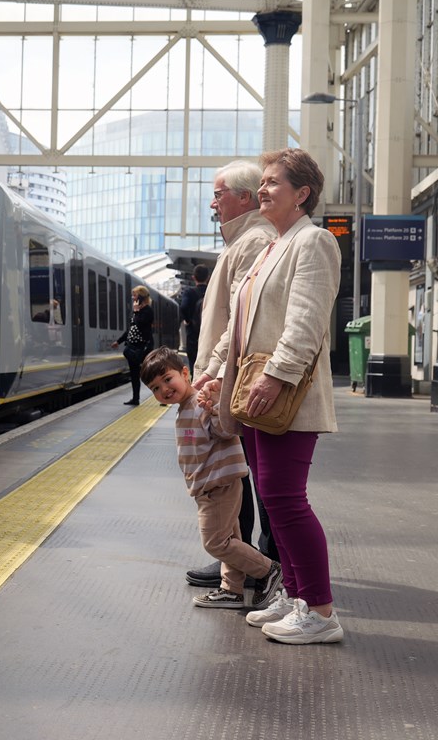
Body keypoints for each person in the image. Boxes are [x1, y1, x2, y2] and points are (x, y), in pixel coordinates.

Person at [208, 147, 344, 645]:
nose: (263, 190)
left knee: (286, 501)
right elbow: (241, 323)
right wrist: (215, 371)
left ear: (302, 193)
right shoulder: (273, 246)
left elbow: (306, 322)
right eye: (261, 183)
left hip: (283, 396)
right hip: (256, 393)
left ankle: (322, 612)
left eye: (272, 183)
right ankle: (296, 594)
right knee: (273, 496)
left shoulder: (314, 242)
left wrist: (276, 376)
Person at [186, 160, 280, 589]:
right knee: (240, 473)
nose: (213, 201)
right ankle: (241, 558)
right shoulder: (242, 240)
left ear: (244, 197)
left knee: (240, 474)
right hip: (230, 376)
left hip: (236, 379)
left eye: (219, 193)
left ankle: (252, 562)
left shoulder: (252, 240)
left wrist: (217, 373)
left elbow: (245, 318)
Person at [141, 347, 282, 610]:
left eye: (167, 379)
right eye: (155, 388)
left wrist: (216, 407)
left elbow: (225, 430)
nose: (164, 390)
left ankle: (269, 570)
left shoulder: (200, 402)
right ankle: (232, 590)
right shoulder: (184, 408)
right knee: (231, 539)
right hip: (209, 485)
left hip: (219, 484)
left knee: (215, 542)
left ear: (185, 373)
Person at [111, 285, 154, 405]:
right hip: (133, 346)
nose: (132, 298)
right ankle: (135, 398)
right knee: (134, 374)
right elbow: (131, 329)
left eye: (134, 295)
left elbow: (140, 325)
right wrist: (118, 341)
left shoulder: (147, 311)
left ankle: (162, 395)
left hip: (143, 347)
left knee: (149, 373)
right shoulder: (136, 311)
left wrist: (136, 312)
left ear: (141, 296)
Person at [179, 264, 209, 371]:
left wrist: (187, 320)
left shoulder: (189, 292)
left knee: (194, 365)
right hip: (210, 333)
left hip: (193, 335)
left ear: (193, 277)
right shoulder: (212, 292)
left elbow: (183, 307)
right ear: (208, 277)